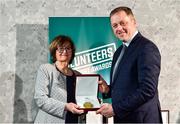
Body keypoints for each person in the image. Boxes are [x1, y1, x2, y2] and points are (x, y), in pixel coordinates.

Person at [96, 6, 162, 123]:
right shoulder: (118, 52)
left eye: (122, 23)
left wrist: (116, 108)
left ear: (134, 22)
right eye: (115, 25)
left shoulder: (146, 48)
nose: (119, 28)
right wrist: (107, 90)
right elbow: (127, 87)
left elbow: (147, 89)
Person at [34, 35, 84, 123]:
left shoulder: (78, 75)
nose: (65, 51)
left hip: (73, 120)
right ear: (54, 51)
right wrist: (66, 106)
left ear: (72, 52)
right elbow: (40, 99)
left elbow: (83, 99)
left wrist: (90, 103)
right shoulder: (46, 69)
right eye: (61, 48)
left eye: (68, 48)